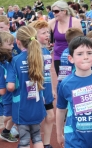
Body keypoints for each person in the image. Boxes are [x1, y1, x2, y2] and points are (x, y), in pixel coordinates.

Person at [6, 26, 46, 148]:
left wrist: (6, 80)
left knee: (24, 141)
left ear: (18, 42)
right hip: (37, 105)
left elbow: (11, 87)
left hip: (21, 107)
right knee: (37, 137)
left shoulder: (15, 60)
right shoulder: (40, 58)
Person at [29, 20, 55, 148]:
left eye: (48, 32)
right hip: (36, 89)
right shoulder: (32, 51)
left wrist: (51, 89)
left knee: (50, 116)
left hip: (47, 87)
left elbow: (48, 71)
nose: (47, 35)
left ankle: (47, 143)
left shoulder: (45, 50)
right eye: (43, 32)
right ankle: (36, 141)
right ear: (34, 34)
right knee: (35, 119)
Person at [49, 0, 82, 76]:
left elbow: (81, 40)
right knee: (61, 80)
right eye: (52, 11)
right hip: (58, 56)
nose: (53, 13)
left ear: (64, 11)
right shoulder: (52, 22)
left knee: (74, 80)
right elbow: (40, 31)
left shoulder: (75, 22)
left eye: (56, 11)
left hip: (72, 56)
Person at [0, 31, 18, 142]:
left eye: (12, 44)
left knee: (15, 114)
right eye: (9, 44)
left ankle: (5, 132)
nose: (12, 46)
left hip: (11, 92)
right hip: (6, 93)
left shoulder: (10, 58)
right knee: (9, 114)